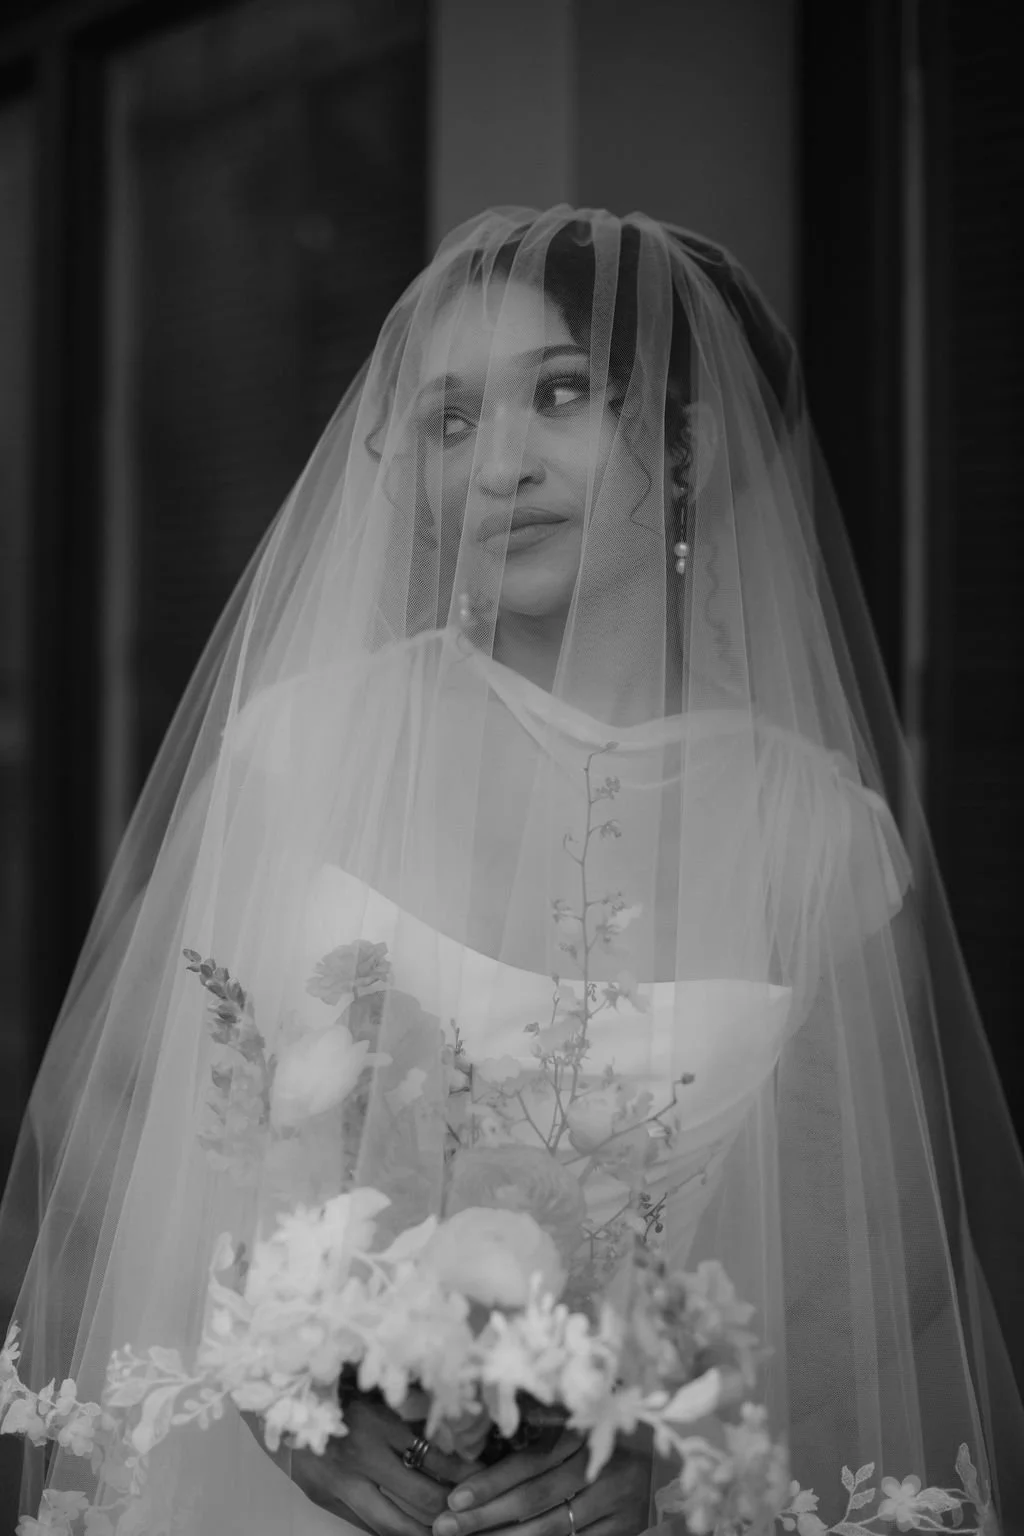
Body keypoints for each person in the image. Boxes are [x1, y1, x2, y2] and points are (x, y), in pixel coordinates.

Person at [2, 206, 1022, 1536]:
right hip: (293, 1487)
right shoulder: (307, 746)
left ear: (684, 441)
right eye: (448, 420)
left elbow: (871, 1255)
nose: (499, 465)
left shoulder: (818, 842)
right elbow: (111, 1147)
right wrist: (275, 1382)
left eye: (558, 396)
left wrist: (655, 1448)